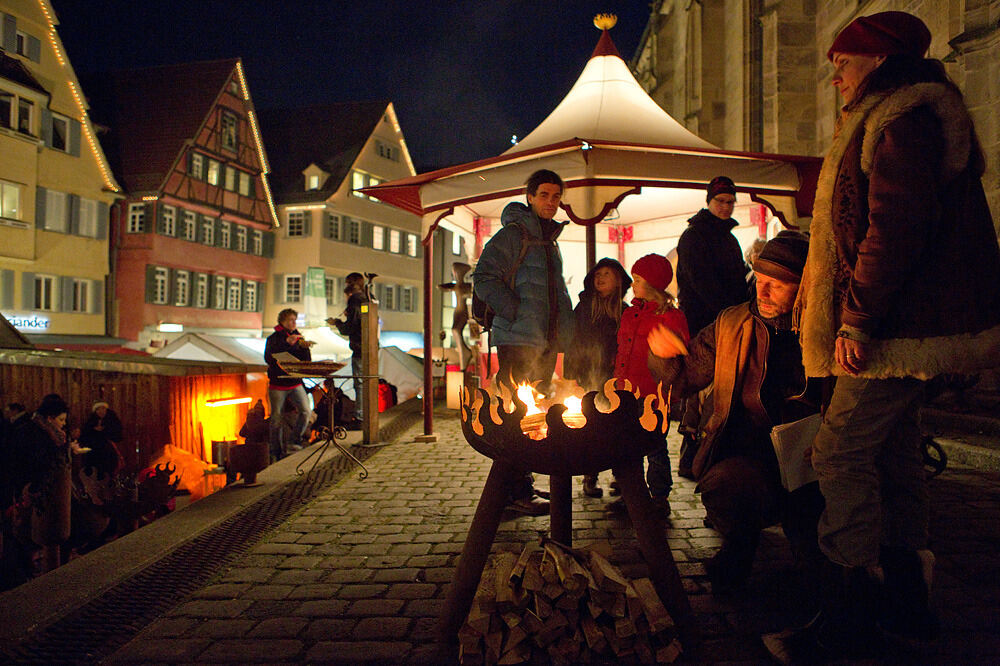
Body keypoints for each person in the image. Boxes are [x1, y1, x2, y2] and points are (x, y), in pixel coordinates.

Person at [764, 12, 1000, 663]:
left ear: (879, 60)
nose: (833, 71)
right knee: (893, 457)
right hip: (897, 326)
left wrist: (858, 319)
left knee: (837, 453)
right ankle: (907, 608)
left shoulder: (903, 120)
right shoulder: (889, 118)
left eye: (844, 59)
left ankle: (851, 617)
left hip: (896, 331)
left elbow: (892, 229)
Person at [648, 232, 823, 594]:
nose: (763, 293)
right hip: (751, 449)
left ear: (804, 286)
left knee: (815, 542)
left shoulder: (824, 329)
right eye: (760, 281)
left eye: (777, 285)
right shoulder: (733, 324)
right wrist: (663, 356)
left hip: (815, 452)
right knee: (727, 487)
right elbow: (684, 378)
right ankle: (740, 546)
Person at [472, 169, 575, 515]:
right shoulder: (513, 235)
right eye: (544, 195)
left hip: (543, 340)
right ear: (530, 196)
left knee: (534, 414)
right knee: (517, 413)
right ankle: (514, 491)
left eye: (556, 196)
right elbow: (483, 277)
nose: (551, 202)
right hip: (518, 339)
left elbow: (555, 291)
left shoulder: (549, 240)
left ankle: (521, 486)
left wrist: (565, 331)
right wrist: (513, 310)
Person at [675, 176, 750, 479]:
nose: (726, 206)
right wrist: (728, 314)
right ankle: (692, 458)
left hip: (728, 325)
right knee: (701, 394)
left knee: (720, 392)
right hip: (706, 327)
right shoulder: (694, 236)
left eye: (730, 202)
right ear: (709, 202)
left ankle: (708, 456)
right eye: (721, 201)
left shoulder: (729, 238)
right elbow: (700, 282)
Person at [613, 254, 689, 516]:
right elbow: (622, 351)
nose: (632, 284)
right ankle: (631, 493)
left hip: (654, 396)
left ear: (654, 284)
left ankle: (659, 496)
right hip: (625, 393)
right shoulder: (630, 313)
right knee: (627, 446)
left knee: (655, 446)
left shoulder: (672, 317)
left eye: (637, 280)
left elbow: (679, 352)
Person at [563, 258, 631, 498]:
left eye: (607, 274)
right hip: (588, 378)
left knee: (616, 427)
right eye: (597, 274)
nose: (600, 278)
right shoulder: (584, 309)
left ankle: (621, 477)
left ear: (619, 280)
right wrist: (571, 376)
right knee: (590, 427)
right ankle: (589, 476)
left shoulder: (625, 311)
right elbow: (573, 343)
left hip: (616, 379)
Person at [264, 309, 314, 457]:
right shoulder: (274, 338)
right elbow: (269, 358)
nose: (294, 323)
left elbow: (306, 361)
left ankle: (294, 440)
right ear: (283, 322)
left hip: (295, 381)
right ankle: (276, 450)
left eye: (295, 320)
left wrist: (304, 348)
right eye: (291, 320)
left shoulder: (298, 338)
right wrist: (286, 344)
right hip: (278, 383)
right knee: (276, 418)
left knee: (305, 411)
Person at [328, 272, 368, 428]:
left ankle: (360, 416)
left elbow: (349, 328)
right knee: (365, 381)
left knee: (359, 382)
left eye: (346, 283)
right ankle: (365, 414)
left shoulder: (354, 301)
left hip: (359, 347)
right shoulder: (368, 297)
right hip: (368, 346)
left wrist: (337, 322)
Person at [79, 401, 124, 479]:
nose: (101, 411)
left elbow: (117, 436)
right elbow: (85, 439)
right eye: (98, 409)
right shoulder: (90, 423)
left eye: (103, 408)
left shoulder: (112, 422)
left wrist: (105, 432)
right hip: (93, 455)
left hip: (108, 454)